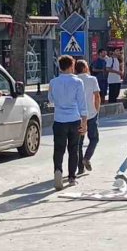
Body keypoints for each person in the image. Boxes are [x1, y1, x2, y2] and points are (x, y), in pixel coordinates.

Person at [48, 55, 87, 190]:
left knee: (59, 149)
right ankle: (71, 177)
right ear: (71, 66)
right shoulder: (77, 82)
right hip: (74, 119)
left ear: (60, 67)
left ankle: (58, 170)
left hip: (59, 119)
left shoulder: (53, 82)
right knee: (73, 149)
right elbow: (82, 103)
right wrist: (84, 121)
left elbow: (51, 100)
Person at [74, 60, 101, 174]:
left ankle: (80, 167)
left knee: (79, 142)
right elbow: (97, 96)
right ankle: (87, 158)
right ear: (85, 68)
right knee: (94, 138)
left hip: (78, 115)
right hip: (91, 114)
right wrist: (96, 110)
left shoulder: (74, 80)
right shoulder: (92, 79)